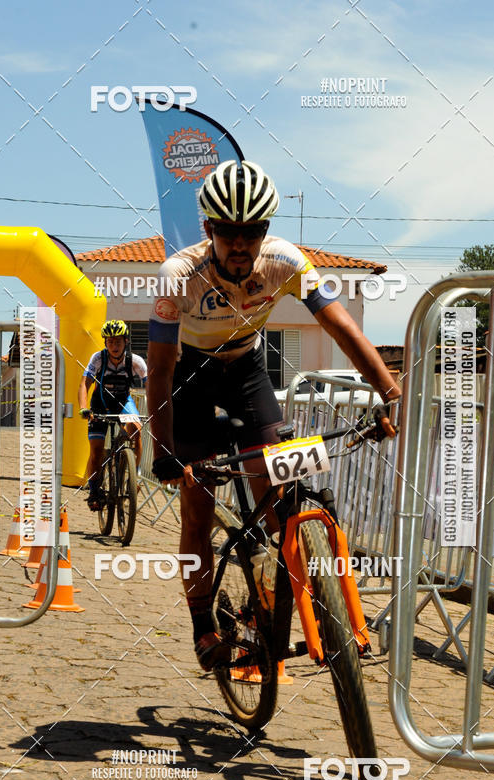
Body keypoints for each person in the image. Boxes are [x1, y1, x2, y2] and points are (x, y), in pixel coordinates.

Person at [146, 159, 401, 670]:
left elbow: (341, 328)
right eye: (228, 233)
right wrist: (165, 450)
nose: (240, 245)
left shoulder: (285, 261)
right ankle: (202, 625)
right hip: (189, 376)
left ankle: (269, 582)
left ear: (266, 230)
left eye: (253, 232)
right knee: (197, 505)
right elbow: (159, 369)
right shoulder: (179, 275)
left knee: (278, 488)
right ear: (208, 229)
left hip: (245, 370)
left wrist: (390, 392)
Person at [78, 320, 147, 510]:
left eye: (118, 342)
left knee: (136, 431)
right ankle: (93, 490)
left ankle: (134, 476)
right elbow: (85, 384)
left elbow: (152, 385)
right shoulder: (98, 359)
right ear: (105, 343)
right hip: (99, 404)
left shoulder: (135, 361)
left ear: (126, 341)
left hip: (122, 403)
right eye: (110, 342)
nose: (114, 346)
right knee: (96, 451)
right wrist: (84, 408)